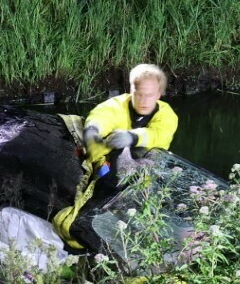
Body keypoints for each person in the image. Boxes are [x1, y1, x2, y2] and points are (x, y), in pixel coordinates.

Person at [52, 64, 179, 248]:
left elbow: (159, 135)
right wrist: (92, 130)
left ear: (159, 94)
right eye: (139, 93)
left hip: (147, 164)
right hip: (112, 163)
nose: (143, 100)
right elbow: (102, 116)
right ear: (131, 90)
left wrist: (133, 137)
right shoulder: (117, 104)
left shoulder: (168, 115)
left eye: (149, 95)